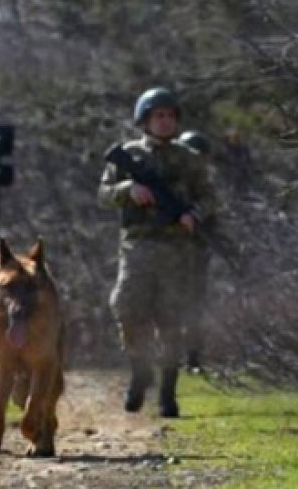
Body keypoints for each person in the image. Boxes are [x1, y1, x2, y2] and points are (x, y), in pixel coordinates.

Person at [97, 87, 216, 418]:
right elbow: (103, 194)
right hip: (137, 246)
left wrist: (194, 215)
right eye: (158, 116)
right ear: (145, 120)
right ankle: (139, 370)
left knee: (171, 320)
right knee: (128, 308)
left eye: (169, 116)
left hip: (177, 249)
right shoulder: (128, 154)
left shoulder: (189, 159)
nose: (164, 122)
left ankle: (167, 392)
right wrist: (128, 190)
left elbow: (209, 196)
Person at [177, 129, 215, 372]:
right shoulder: (172, 182)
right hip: (167, 252)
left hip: (196, 254)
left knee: (195, 308)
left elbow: (212, 215)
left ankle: (193, 359)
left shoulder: (204, 188)